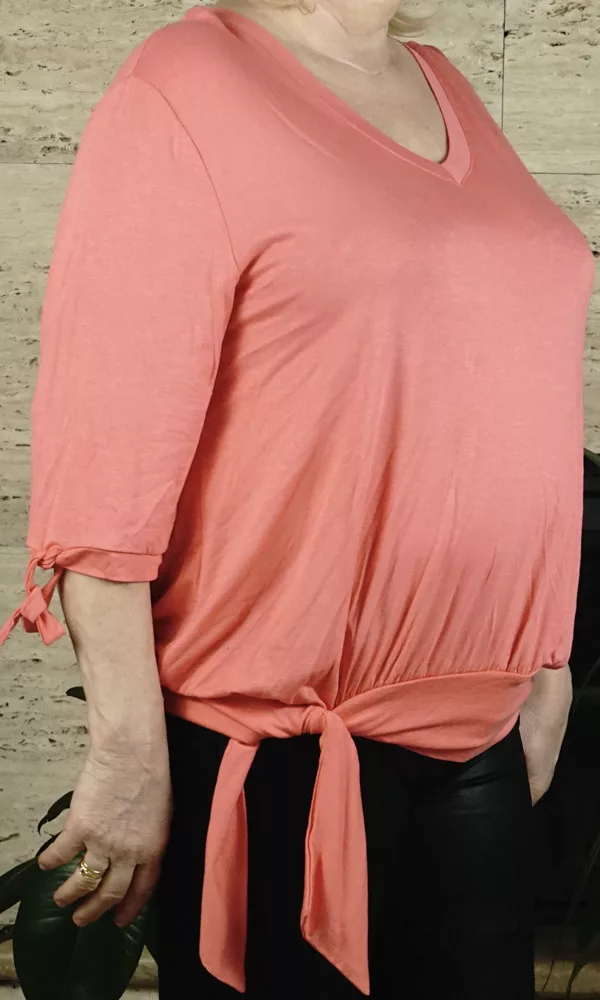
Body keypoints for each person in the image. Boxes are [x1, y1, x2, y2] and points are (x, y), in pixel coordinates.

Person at [0, 0, 595, 996]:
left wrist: (546, 662)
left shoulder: (442, 84)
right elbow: (109, 454)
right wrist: (127, 747)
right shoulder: (186, 82)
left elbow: (501, 383)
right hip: (278, 752)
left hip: (478, 727)